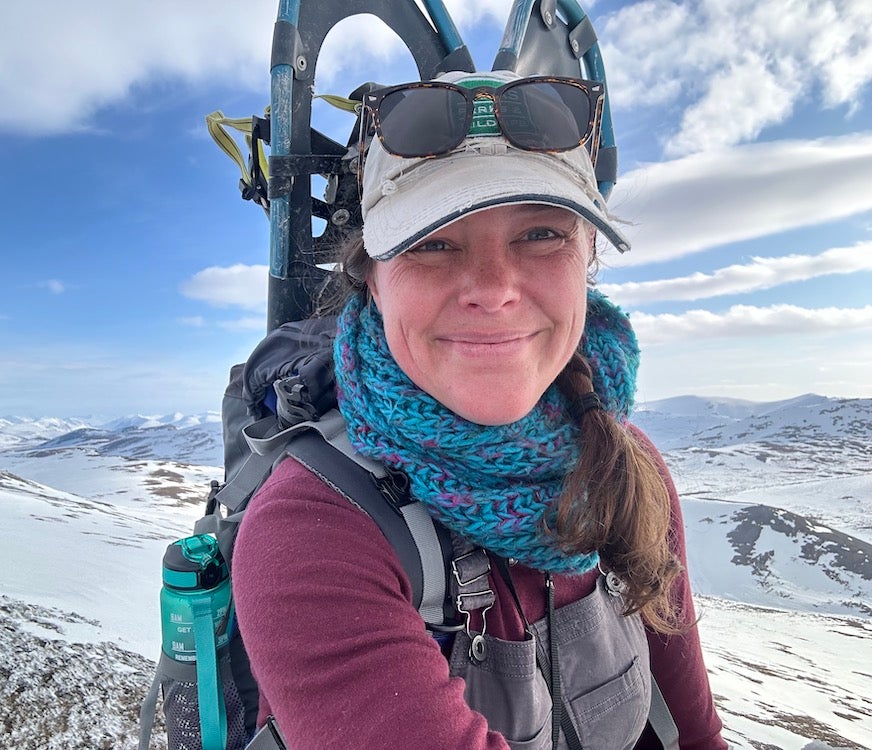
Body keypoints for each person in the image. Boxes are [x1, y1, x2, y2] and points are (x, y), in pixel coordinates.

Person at [232, 69, 727, 750]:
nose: (493, 291)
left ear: (587, 256)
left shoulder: (624, 464)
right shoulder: (314, 530)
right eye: (432, 243)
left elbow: (693, 725)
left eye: (542, 235)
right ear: (372, 281)